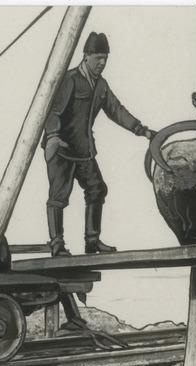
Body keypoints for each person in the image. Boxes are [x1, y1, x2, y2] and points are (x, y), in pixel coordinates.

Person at [43, 32, 155, 256]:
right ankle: (57, 244)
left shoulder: (101, 85)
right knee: (59, 196)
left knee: (97, 189)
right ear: (86, 56)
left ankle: (92, 241)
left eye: (105, 58)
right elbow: (52, 111)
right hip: (62, 150)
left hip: (84, 151)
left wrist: (140, 129)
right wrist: (53, 137)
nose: (102, 63)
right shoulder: (70, 80)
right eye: (98, 58)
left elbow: (116, 110)